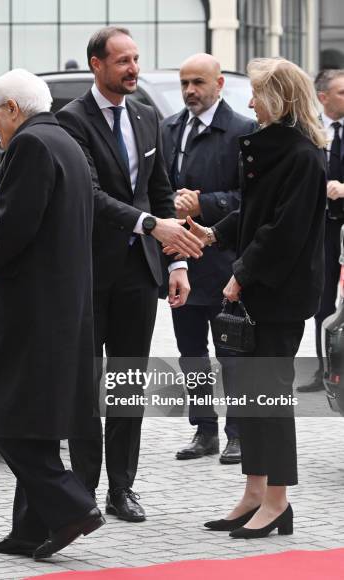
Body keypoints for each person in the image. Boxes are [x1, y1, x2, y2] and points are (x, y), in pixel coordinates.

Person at [0, 69, 104, 560]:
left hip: (33, 309)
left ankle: (73, 506)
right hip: (63, 306)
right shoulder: (65, 141)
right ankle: (30, 530)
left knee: (4, 417)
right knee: (37, 421)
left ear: (13, 108)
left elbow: (13, 227)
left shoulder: (31, 146)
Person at [55, 26, 203, 523]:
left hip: (140, 271)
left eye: (136, 59)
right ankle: (82, 491)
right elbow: (89, 195)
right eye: (123, 61)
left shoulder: (146, 115)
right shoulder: (71, 120)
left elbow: (161, 191)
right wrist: (148, 223)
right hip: (90, 272)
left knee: (127, 381)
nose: (133, 69)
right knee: (84, 383)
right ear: (97, 64)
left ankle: (122, 489)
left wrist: (176, 260)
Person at [179, 57, 326, 538]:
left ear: (279, 99)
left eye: (257, 93)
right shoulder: (269, 149)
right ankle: (254, 493)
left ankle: (278, 501)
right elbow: (252, 211)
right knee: (249, 395)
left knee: (270, 399)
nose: (248, 101)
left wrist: (240, 275)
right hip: (263, 290)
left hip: (279, 297)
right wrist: (212, 235)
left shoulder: (303, 156)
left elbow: (283, 231)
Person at [161, 54, 256, 464]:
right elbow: (157, 188)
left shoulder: (242, 132)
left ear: (219, 84)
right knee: (190, 352)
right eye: (184, 83)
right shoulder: (169, 129)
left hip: (224, 261)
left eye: (198, 82)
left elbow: (250, 200)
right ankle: (204, 430)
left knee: (231, 352)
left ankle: (237, 432)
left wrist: (205, 204)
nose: (189, 91)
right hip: (180, 260)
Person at [298, 69, 344, 393]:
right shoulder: (309, 131)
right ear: (323, 97)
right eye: (341, 92)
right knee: (322, 302)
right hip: (323, 230)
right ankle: (324, 370)